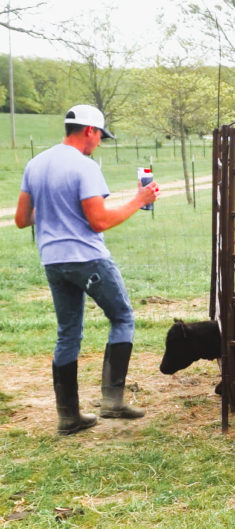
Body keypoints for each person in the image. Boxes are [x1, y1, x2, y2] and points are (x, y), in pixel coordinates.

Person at [14, 104, 161, 435]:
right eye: (99, 136)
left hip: (53, 260)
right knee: (122, 317)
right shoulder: (85, 166)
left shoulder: (35, 164)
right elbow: (99, 221)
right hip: (87, 258)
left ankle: (68, 417)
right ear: (89, 131)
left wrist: (54, 213)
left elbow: (22, 219)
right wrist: (139, 200)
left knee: (68, 333)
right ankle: (112, 402)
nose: (99, 143)